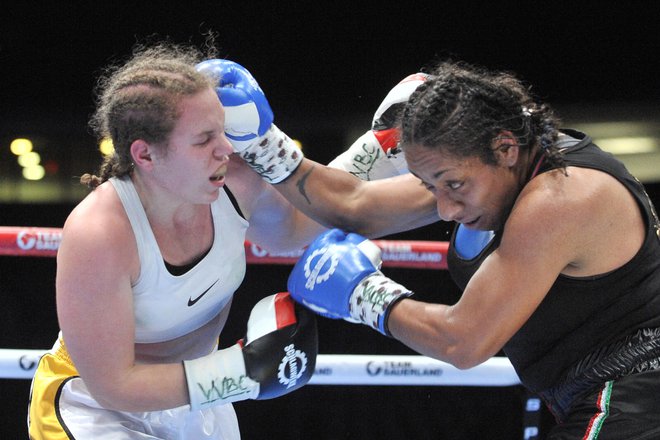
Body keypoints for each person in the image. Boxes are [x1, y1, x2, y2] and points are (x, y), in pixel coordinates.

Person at [213, 59, 660, 439]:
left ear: (504, 147)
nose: (443, 207)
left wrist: (363, 294)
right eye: (431, 186)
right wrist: (261, 142)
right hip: (601, 398)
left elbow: (464, 340)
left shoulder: (560, 198)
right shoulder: (484, 168)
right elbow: (354, 205)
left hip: (639, 393)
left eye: (451, 185)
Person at [27, 42, 439, 440]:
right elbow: (114, 385)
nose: (226, 149)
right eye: (204, 139)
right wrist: (242, 372)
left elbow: (297, 228)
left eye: (222, 132)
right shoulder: (101, 233)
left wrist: (383, 151)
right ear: (146, 155)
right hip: (98, 411)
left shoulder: (235, 181)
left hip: (197, 403)